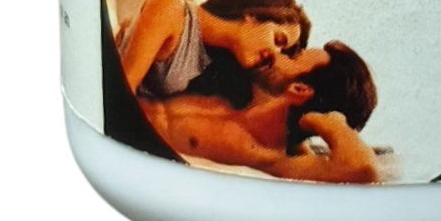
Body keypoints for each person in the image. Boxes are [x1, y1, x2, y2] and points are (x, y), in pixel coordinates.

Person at [141, 41, 380, 183]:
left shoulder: (273, 157)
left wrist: (332, 120)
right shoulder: (232, 83)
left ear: (299, 89)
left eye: (292, 55)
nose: (278, 51)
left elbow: (362, 169)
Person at [117, 0, 310, 98]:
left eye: (282, 52)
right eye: (278, 40)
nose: (274, 55)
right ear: (253, 13)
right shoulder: (171, 9)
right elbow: (120, 95)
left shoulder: (218, 62)